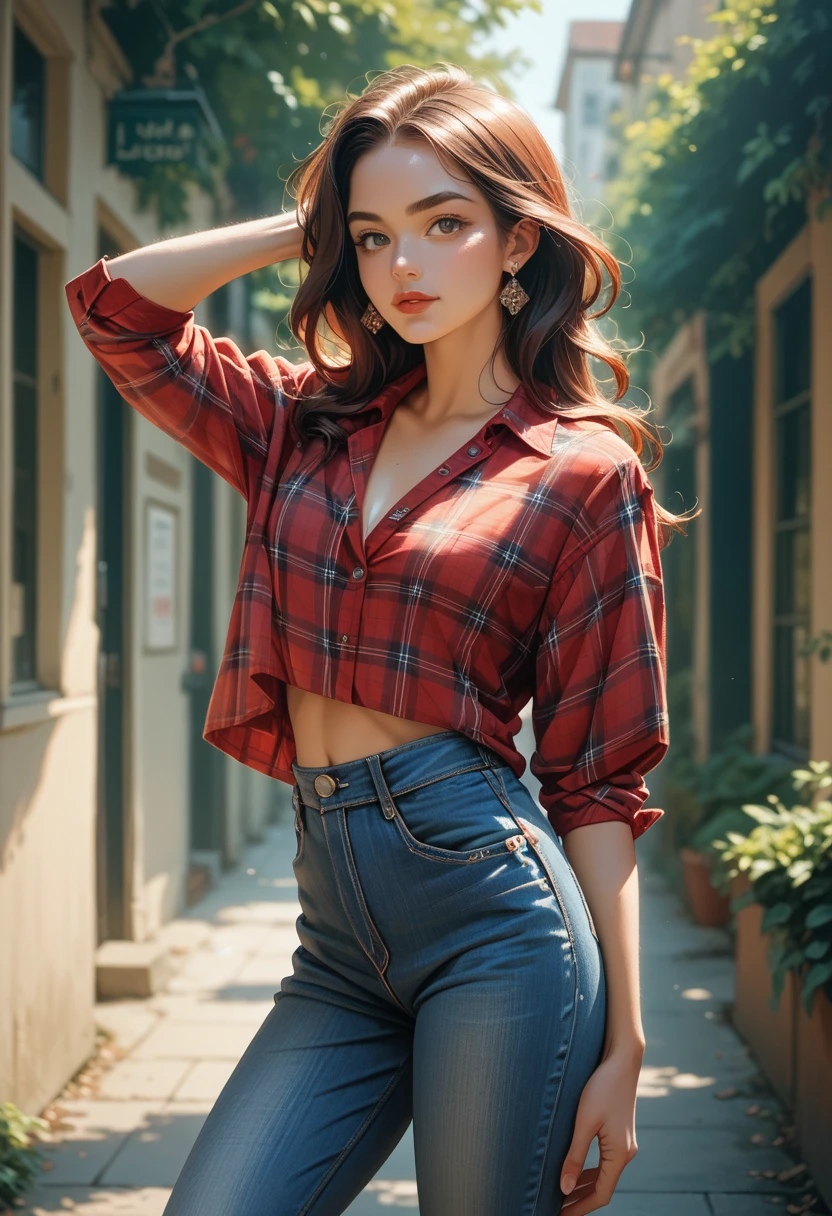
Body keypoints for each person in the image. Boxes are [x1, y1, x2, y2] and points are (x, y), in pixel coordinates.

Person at [65, 61, 693, 1216]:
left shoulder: (579, 472)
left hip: (496, 923)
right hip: (337, 941)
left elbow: (598, 778)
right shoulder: (306, 420)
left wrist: (629, 1045)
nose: (402, 265)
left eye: (443, 223)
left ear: (516, 242)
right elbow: (116, 308)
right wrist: (313, 213)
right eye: (370, 236)